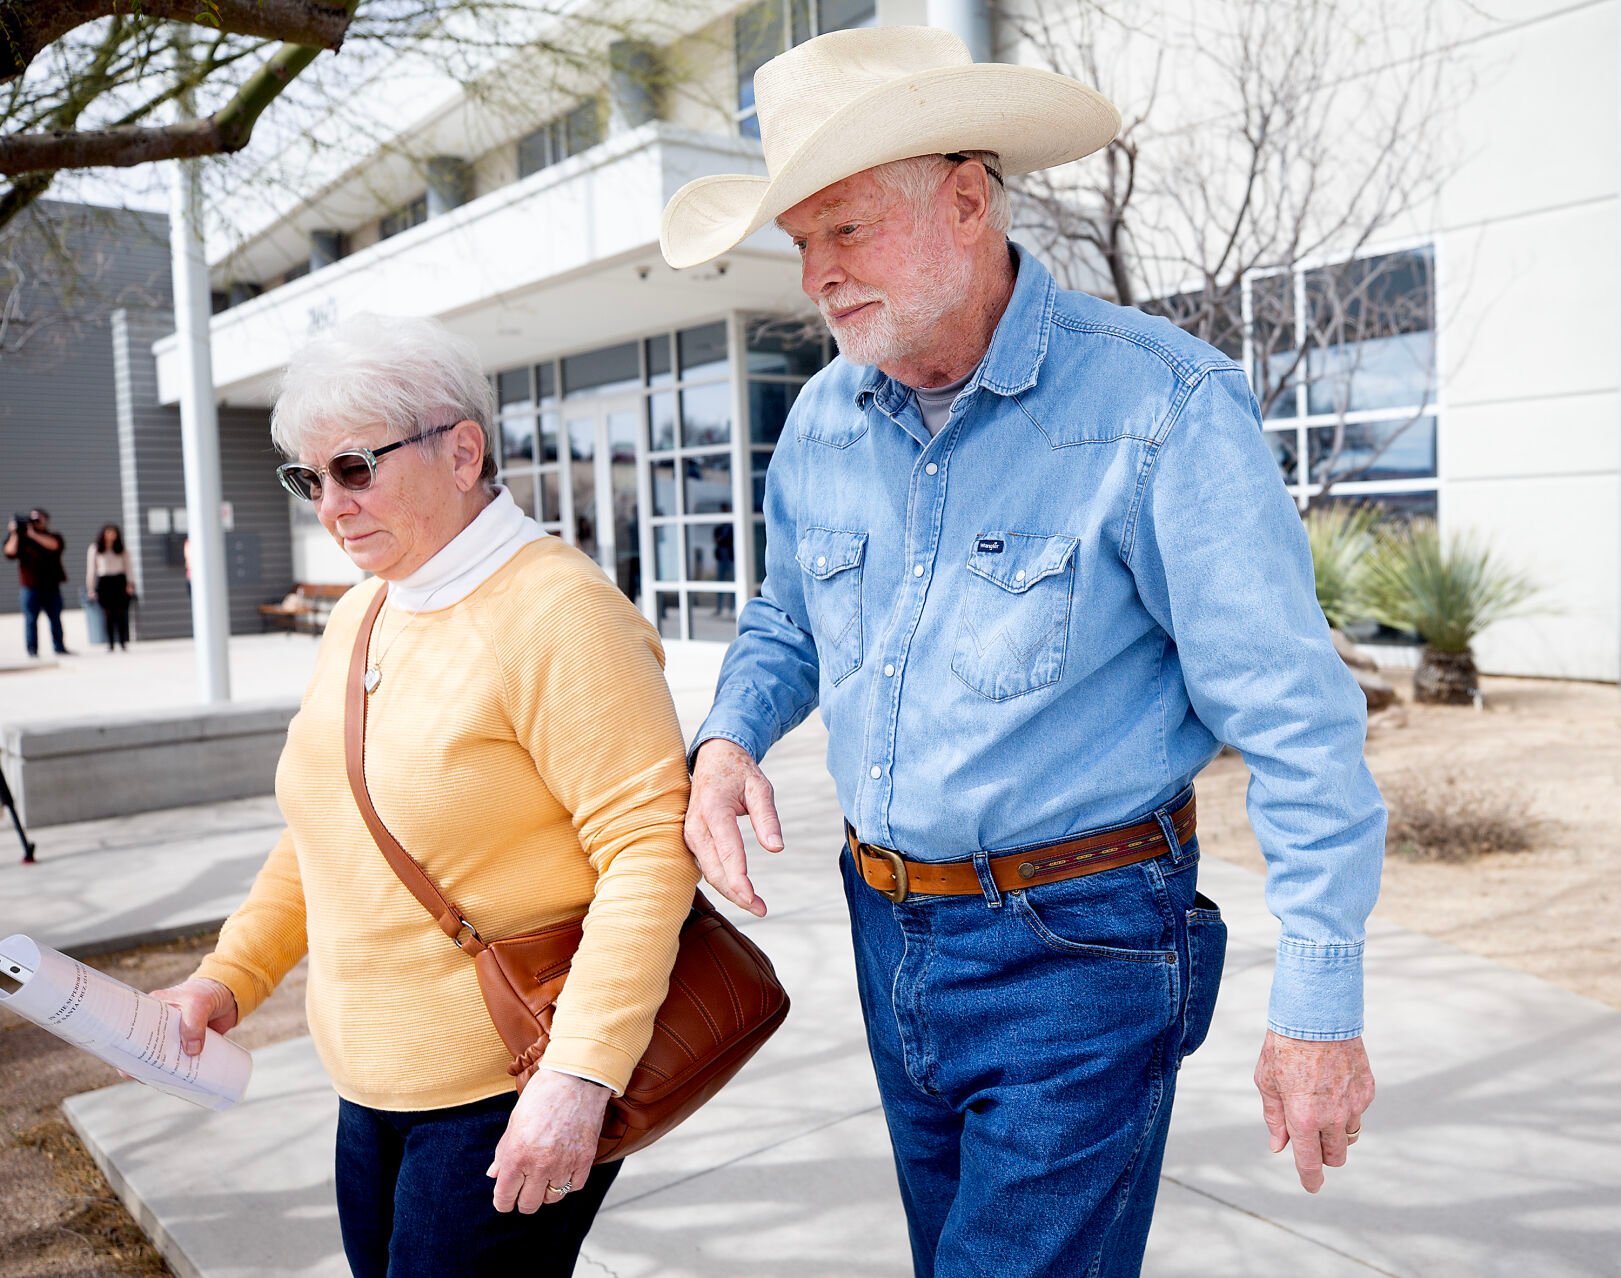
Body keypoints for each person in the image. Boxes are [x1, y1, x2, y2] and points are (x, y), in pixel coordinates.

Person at [663, 27, 1381, 1278]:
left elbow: (1296, 722)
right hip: (884, 928)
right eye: (801, 246)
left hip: (1080, 947)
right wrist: (729, 736)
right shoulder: (823, 421)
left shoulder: (1160, 407)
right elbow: (785, 618)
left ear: (963, 200)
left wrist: (1317, 1008)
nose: (818, 279)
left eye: (845, 231)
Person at [150, 314, 699, 1276]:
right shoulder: (366, 609)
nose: (330, 505)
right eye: (307, 479)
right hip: (370, 1085)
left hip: (509, 1080)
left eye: (354, 468)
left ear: (461, 451)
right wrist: (228, 978)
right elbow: (324, 827)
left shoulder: (561, 613)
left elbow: (651, 850)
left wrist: (579, 1076)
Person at [3, 508, 70, 658]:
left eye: (38, 519)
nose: (35, 522)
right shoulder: (21, 539)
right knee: (30, 619)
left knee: (55, 618)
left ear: (46, 520)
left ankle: (59, 647)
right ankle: (32, 650)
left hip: (51, 585)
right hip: (30, 586)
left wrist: (34, 535)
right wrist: (14, 533)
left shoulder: (53, 536)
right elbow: (9, 552)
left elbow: (54, 546)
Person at [86, 523, 136, 651]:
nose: (111, 535)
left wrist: (130, 584)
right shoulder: (96, 548)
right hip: (104, 582)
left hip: (119, 580)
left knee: (121, 613)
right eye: (108, 532)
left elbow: (129, 568)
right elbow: (91, 569)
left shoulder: (121, 548)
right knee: (108, 614)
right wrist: (90, 588)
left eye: (113, 532)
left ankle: (123, 641)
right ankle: (110, 643)